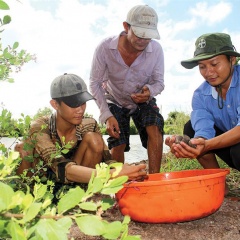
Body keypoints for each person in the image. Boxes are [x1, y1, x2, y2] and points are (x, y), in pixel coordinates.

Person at [15, 73, 147, 185]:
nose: (80, 109)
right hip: (44, 181)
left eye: (83, 102)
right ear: (55, 104)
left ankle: (84, 195)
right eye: (73, 104)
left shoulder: (89, 124)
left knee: (94, 139)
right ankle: (27, 200)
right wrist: (113, 175)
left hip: (78, 180)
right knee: (22, 148)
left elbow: (107, 160)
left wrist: (125, 169)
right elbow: (60, 167)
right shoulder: (40, 127)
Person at [89, 5, 165, 174]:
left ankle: (155, 179)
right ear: (126, 27)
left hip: (142, 100)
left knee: (154, 125)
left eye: (148, 36)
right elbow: (94, 83)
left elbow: (159, 82)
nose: (143, 40)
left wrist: (149, 91)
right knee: (118, 139)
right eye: (139, 34)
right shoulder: (105, 48)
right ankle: (119, 186)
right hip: (114, 99)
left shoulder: (156, 51)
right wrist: (106, 115)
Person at [165, 33, 240, 186]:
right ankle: (219, 185)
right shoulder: (200, 95)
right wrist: (191, 144)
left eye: (214, 64)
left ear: (232, 60)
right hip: (233, 148)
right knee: (190, 128)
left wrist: (207, 145)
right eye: (202, 67)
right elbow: (203, 132)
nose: (208, 72)